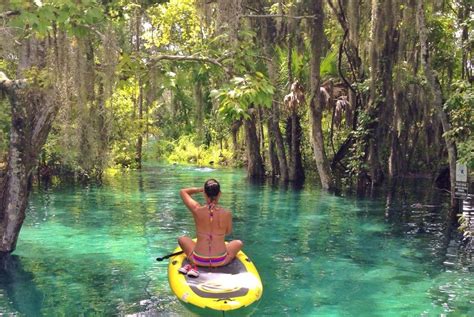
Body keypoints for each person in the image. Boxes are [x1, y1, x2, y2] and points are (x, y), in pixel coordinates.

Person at [177, 179, 243, 277]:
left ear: (204, 193)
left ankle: (193, 264)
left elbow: (183, 191)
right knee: (238, 243)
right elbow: (228, 232)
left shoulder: (196, 209)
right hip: (221, 260)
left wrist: (200, 189)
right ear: (219, 194)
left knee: (182, 239)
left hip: (198, 259)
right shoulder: (227, 213)